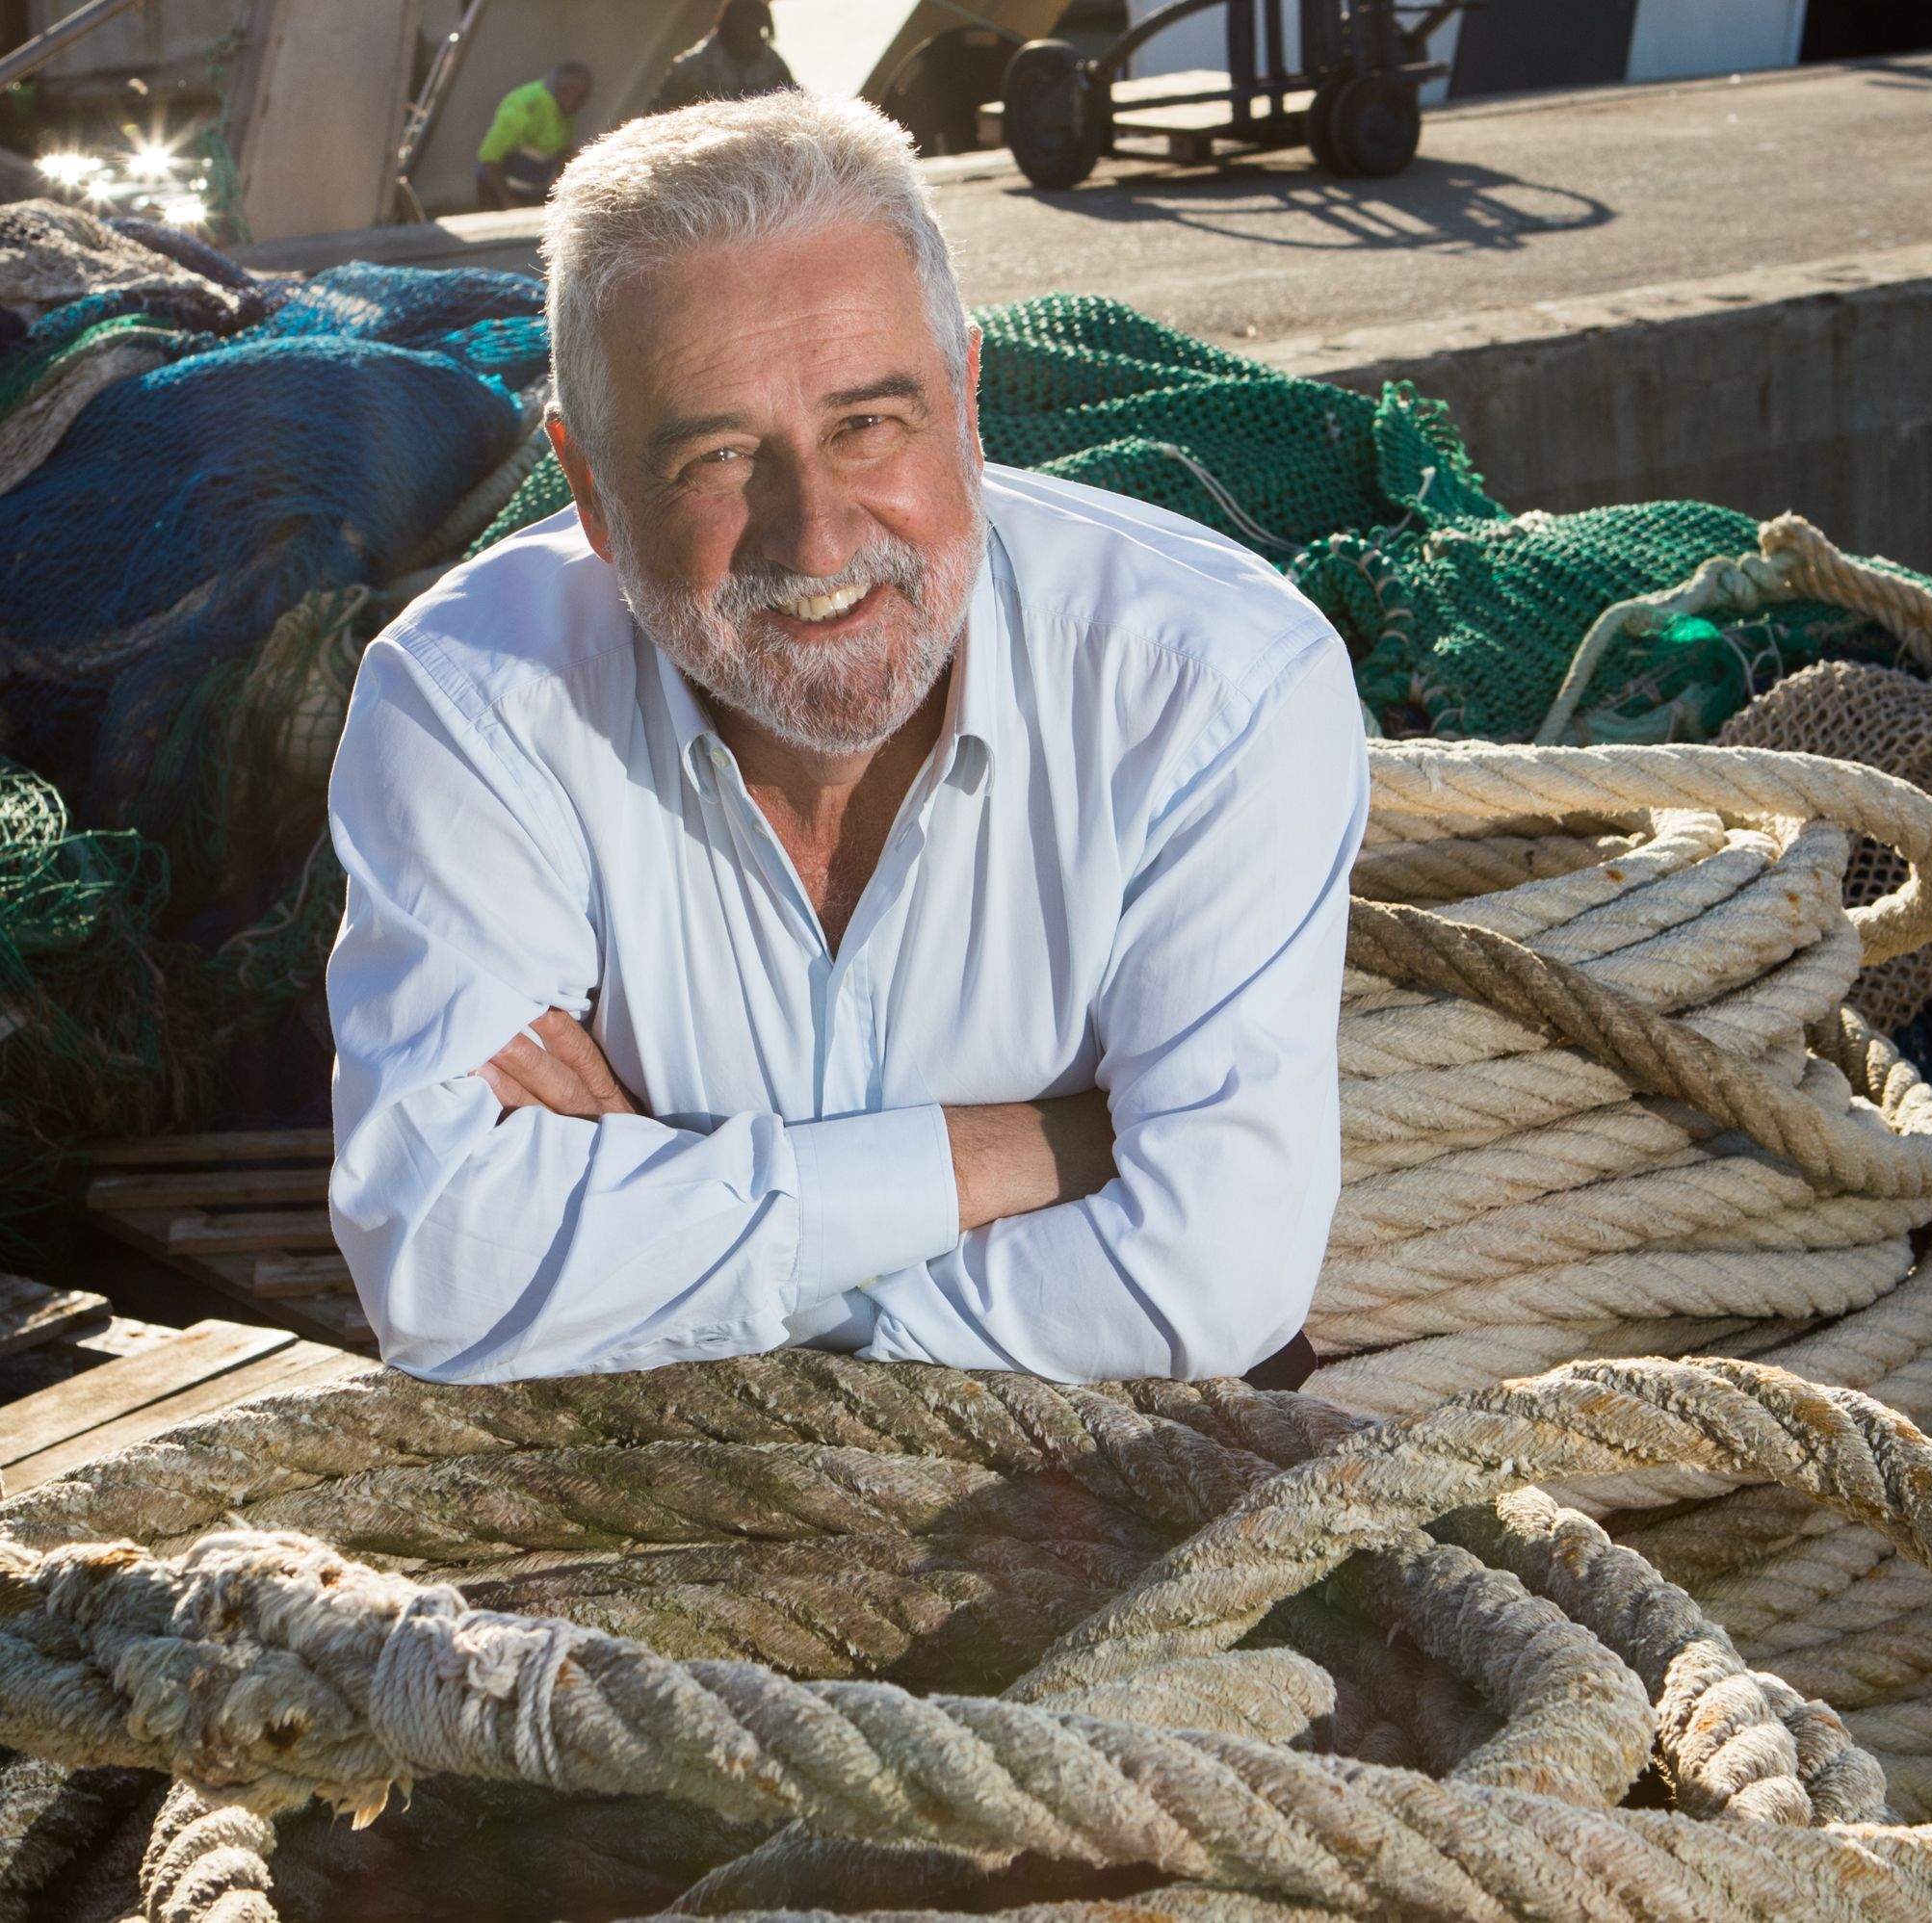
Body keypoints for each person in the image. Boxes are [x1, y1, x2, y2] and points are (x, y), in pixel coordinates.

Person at [326, 92, 1366, 1388]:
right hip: (668, 1483)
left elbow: (1207, 1284)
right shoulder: (470, 703)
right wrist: (1027, 1149)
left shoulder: (1216, 689)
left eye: (867, 424)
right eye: (718, 455)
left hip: (1125, 1467)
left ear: (967, 402)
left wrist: (659, 1237)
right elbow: (445, 1274)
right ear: (590, 489)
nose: (815, 539)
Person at [475, 60, 591, 210]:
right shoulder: (524, 105)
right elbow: (490, 158)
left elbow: (563, 150)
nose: (581, 103)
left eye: (583, 97)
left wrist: (568, 191)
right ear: (564, 90)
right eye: (576, 95)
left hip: (533, 188)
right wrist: (507, 200)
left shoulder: (569, 108)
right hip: (498, 189)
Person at [648, 0, 794, 116]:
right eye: (746, 29)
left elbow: (795, 106)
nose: (752, 39)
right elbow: (662, 116)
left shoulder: (773, 66)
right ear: (731, 29)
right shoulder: (693, 70)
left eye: (757, 30)